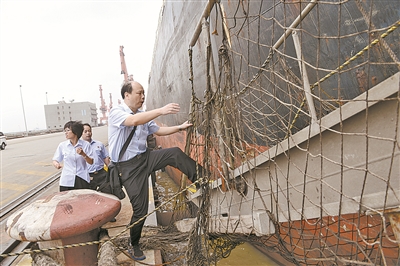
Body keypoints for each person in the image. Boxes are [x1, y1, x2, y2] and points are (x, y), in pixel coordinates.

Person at [108, 81, 205, 261]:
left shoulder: (144, 116)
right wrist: (161, 110)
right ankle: (133, 243)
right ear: (126, 95)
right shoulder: (116, 113)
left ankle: (202, 179)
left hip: (145, 158)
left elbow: (158, 131)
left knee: (174, 154)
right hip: (129, 169)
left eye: (144, 93)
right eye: (139, 93)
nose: (143, 97)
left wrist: (179, 128)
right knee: (140, 211)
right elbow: (133, 121)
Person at [53, 121, 94, 191]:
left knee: (83, 200)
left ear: (76, 132)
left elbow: (91, 162)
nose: (66, 133)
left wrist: (83, 154)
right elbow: (55, 159)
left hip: (82, 178)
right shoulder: (62, 145)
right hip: (66, 180)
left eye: (68, 130)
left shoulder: (86, 145)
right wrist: (56, 164)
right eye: (65, 131)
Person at [81, 123, 110, 190]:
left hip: (101, 173)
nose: (88, 133)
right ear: (81, 133)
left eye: (89, 131)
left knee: (108, 193)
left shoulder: (99, 144)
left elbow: (105, 158)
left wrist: (111, 170)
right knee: (90, 196)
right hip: (88, 175)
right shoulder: (79, 147)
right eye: (85, 131)